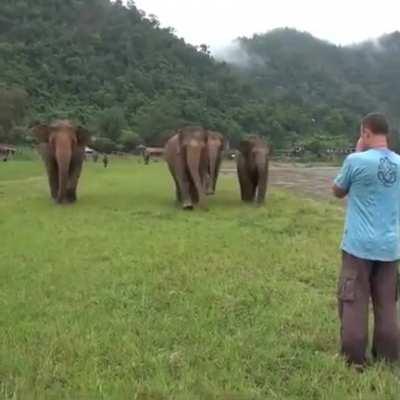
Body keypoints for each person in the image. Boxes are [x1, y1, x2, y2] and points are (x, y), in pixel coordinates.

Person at [332, 112, 400, 369]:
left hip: (358, 247)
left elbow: (337, 191)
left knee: (353, 300)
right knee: (387, 304)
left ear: (366, 133)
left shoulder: (355, 160)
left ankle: (354, 360)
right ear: (388, 135)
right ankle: (388, 358)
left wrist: (358, 151)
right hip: (391, 247)